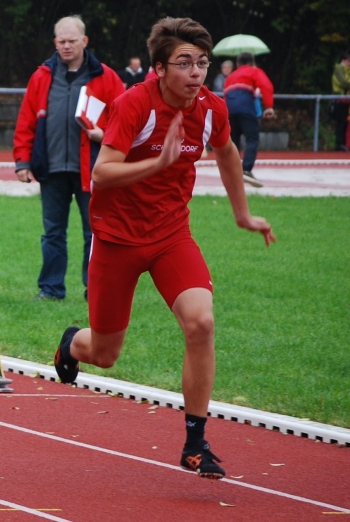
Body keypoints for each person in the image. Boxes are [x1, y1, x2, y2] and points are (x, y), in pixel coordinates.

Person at [54, 16, 276, 480]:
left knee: (201, 322)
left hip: (171, 235)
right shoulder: (134, 104)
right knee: (106, 352)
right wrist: (159, 162)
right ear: (158, 68)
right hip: (115, 239)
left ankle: (195, 442)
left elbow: (229, 153)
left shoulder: (212, 108)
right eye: (184, 63)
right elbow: (102, 172)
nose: (196, 73)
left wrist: (242, 214)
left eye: (202, 63)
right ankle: (73, 344)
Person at [13, 15, 125, 300]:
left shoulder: (106, 77)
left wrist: (105, 134)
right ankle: (50, 289)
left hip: (93, 169)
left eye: (71, 41)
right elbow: (26, 121)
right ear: (55, 42)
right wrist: (23, 162)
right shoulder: (41, 76)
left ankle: (95, 289)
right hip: (51, 169)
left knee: (94, 234)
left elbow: (126, 121)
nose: (66, 46)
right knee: (52, 233)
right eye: (61, 41)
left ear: (84, 41)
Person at [224, 52, 275, 188]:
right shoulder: (254, 71)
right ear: (252, 62)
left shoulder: (230, 76)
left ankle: (232, 171)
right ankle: (246, 170)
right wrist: (268, 106)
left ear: (237, 64)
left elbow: (225, 95)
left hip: (229, 110)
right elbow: (266, 85)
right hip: (246, 108)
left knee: (233, 142)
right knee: (252, 138)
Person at [331, 50, 350, 151]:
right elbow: (344, 83)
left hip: (346, 99)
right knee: (341, 122)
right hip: (340, 98)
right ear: (343, 60)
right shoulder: (339, 69)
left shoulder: (347, 70)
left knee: (346, 122)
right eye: (348, 61)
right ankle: (339, 144)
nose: (349, 63)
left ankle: (343, 143)